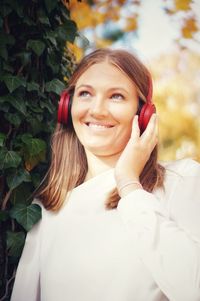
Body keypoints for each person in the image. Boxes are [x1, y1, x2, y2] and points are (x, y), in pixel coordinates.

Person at [11, 48, 200, 301]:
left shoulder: (182, 180)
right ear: (67, 106)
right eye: (86, 93)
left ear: (143, 114)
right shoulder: (47, 208)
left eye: (117, 96)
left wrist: (129, 185)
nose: (97, 110)